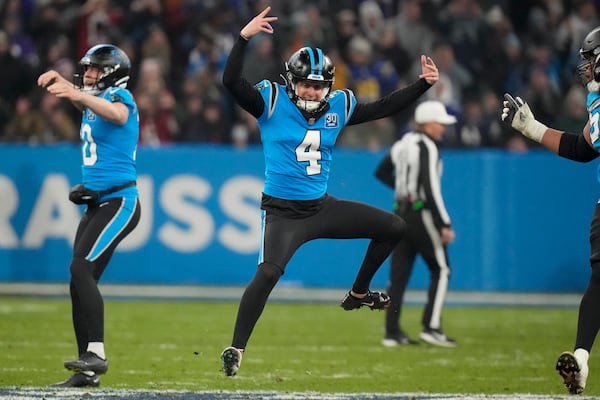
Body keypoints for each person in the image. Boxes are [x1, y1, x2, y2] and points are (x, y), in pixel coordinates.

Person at [220, 6, 439, 377]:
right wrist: (242, 39)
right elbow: (230, 83)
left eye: (319, 85)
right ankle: (236, 349)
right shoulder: (271, 101)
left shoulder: (339, 105)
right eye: (306, 83)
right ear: (291, 82)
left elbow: (383, 108)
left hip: (320, 207)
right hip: (283, 212)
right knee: (269, 273)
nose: (312, 90)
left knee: (394, 227)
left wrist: (423, 85)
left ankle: (358, 293)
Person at [501, 26, 600, 396]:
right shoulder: (597, 101)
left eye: (591, 60)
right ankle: (581, 357)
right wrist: (534, 129)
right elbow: (583, 148)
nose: (586, 68)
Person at [38, 44, 141, 388]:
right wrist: (67, 86)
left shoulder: (121, 98)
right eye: (88, 69)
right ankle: (87, 370)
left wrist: (72, 90)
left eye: (96, 69)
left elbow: (117, 115)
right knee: (78, 281)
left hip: (120, 201)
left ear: (113, 73)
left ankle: (96, 353)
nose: (89, 75)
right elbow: (90, 103)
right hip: (98, 201)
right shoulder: (95, 98)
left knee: (80, 268)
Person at [375, 100, 457, 348]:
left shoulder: (402, 144)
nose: (443, 128)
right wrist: (444, 222)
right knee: (441, 269)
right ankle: (431, 327)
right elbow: (430, 186)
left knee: (398, 277)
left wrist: (403, 191)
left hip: (399, 212)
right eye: (440, 123)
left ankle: (392, 332)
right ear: (429, 124)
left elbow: (380, 172)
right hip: (420, 213)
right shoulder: (427, 146)